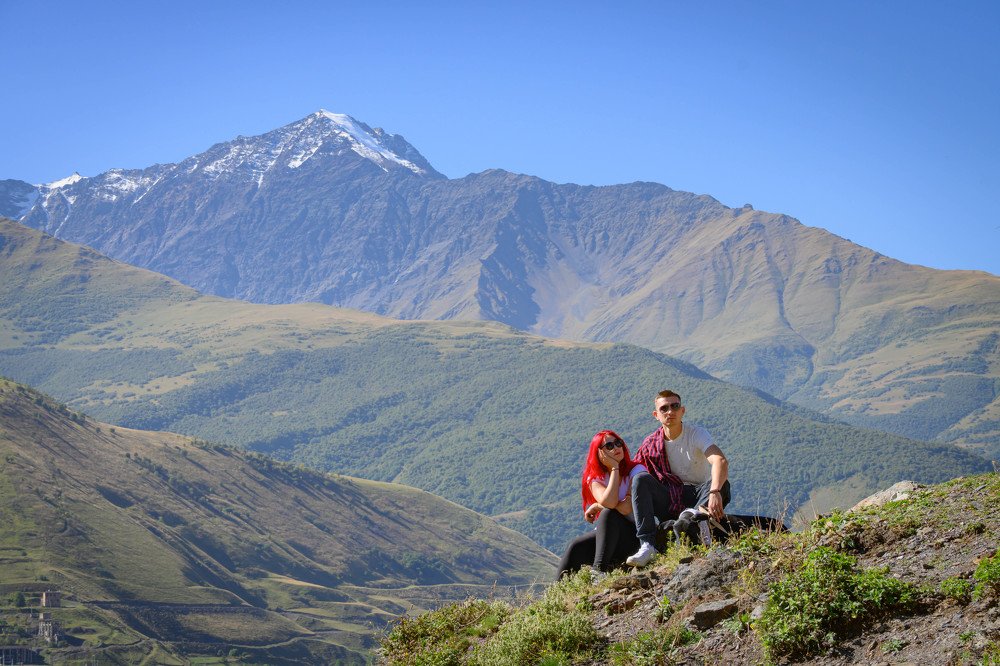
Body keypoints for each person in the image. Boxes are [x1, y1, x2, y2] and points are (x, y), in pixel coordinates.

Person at [625, 390, 731, 567]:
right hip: (668, 497)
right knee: (640, 480)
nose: (670, 411)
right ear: (656, 415)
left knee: (723, 485)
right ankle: (647, 545)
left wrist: (714, 491)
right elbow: (631, 475)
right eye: (664, 408)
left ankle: (690, 516)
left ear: (682, 410)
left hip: (699, 494)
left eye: (675, 406)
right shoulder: (650, 443)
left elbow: (720, 460)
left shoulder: (696, 434)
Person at [557, 430, 648, 578]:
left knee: (609, 513)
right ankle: (556, 596)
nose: (616, 448)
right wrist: (614, 469)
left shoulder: (637, 470)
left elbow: (626, 508)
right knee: (576, 547)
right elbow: (611, 502)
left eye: (618, 443)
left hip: (636, 535)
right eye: (609, 446)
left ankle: (598, 572)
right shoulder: (595, 479)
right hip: (609, 537)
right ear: (599, 453)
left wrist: (599, 506)